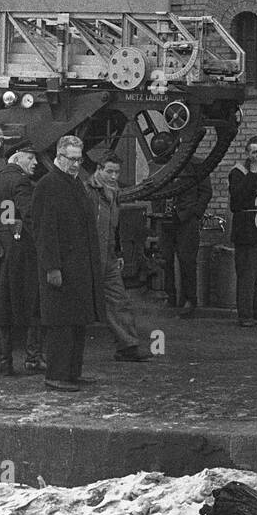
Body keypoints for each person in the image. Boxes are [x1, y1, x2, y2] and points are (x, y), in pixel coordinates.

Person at [32, 135, 105, 392]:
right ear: (59, 157)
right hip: (61, 269)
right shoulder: (48, 185)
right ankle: (56, 375)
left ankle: (72, 373)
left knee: (77, 321)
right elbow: (44, 230)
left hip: (79, 268)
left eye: (78, 158)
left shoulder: (74, 184)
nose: (76, 164)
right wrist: (52, 267)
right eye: (71, 159)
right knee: (61, 324)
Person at [0, 141, 44, 377]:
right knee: (33, 303)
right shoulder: (21, 182)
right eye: (30, 158)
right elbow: (31, 216)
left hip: (1, 254)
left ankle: (5, 362)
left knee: (3, 307)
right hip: (24, 251)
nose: (35, 162)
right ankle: (33, 359)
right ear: (17, 158)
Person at [84, 154, 151, 362]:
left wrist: (118, 251)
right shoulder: (87, 192)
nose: (114, 176)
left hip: (109, 256)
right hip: (90, 256)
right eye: (109, 171)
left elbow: (115, 225)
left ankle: (127, 347)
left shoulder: (113, 193)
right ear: (99, 169)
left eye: (117, 172)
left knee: (119, 300)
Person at [158, 157, 213, 318]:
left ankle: (189, 300)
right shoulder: (165, 164)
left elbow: (206, 192)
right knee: (165, 258)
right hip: (166, 219)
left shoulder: (197, 165)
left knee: (187, 260)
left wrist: (195, 213)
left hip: (187, 220)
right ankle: (171, 296)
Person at [229, 135, 257, 327]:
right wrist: (253, 174)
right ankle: (245, 314)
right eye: (254, 152)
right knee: (246, 273)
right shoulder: (238, 172)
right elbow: (237, 199)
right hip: (245, 227)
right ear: (247, 153)